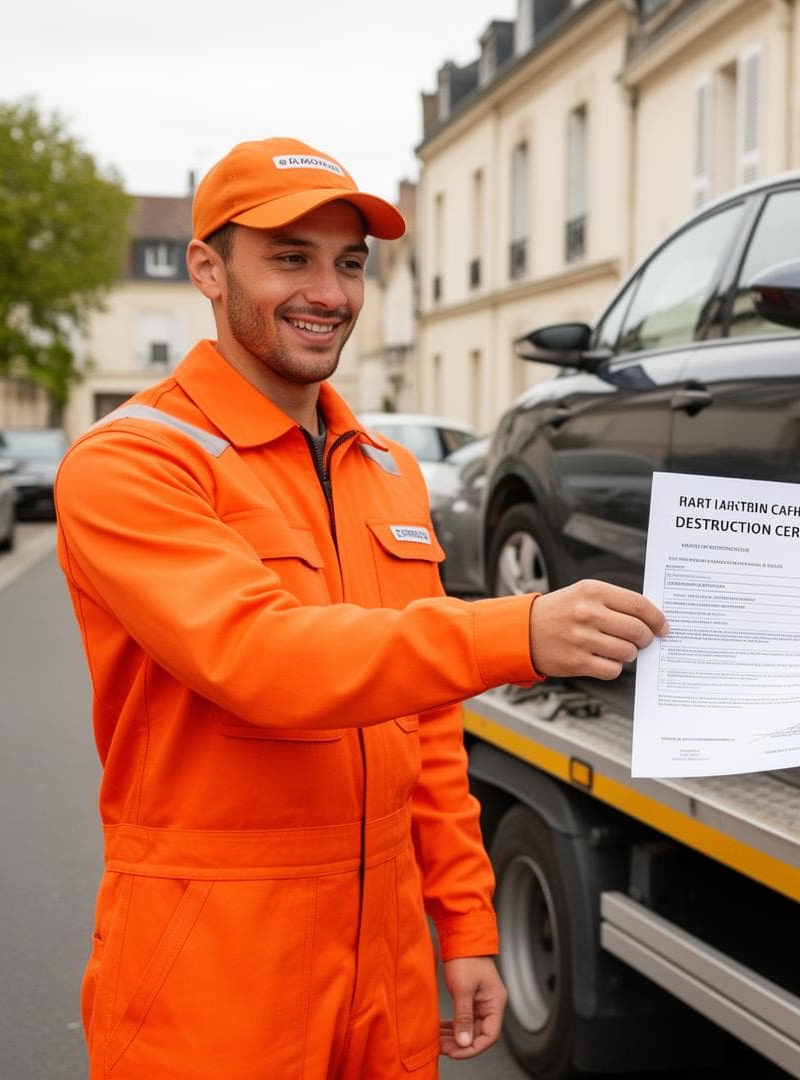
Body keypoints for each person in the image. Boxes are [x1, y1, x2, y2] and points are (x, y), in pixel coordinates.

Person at [54, 137, 667, 1078]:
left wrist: (462, 922)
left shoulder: (387, 470)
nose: (329, 293)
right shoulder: (132, 462)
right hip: (214, 952)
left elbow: (423, 721)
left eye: (349, 263)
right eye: (290, 257)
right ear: (208, 271)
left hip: (381, 947)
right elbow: (259, 657)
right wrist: (520, 629)